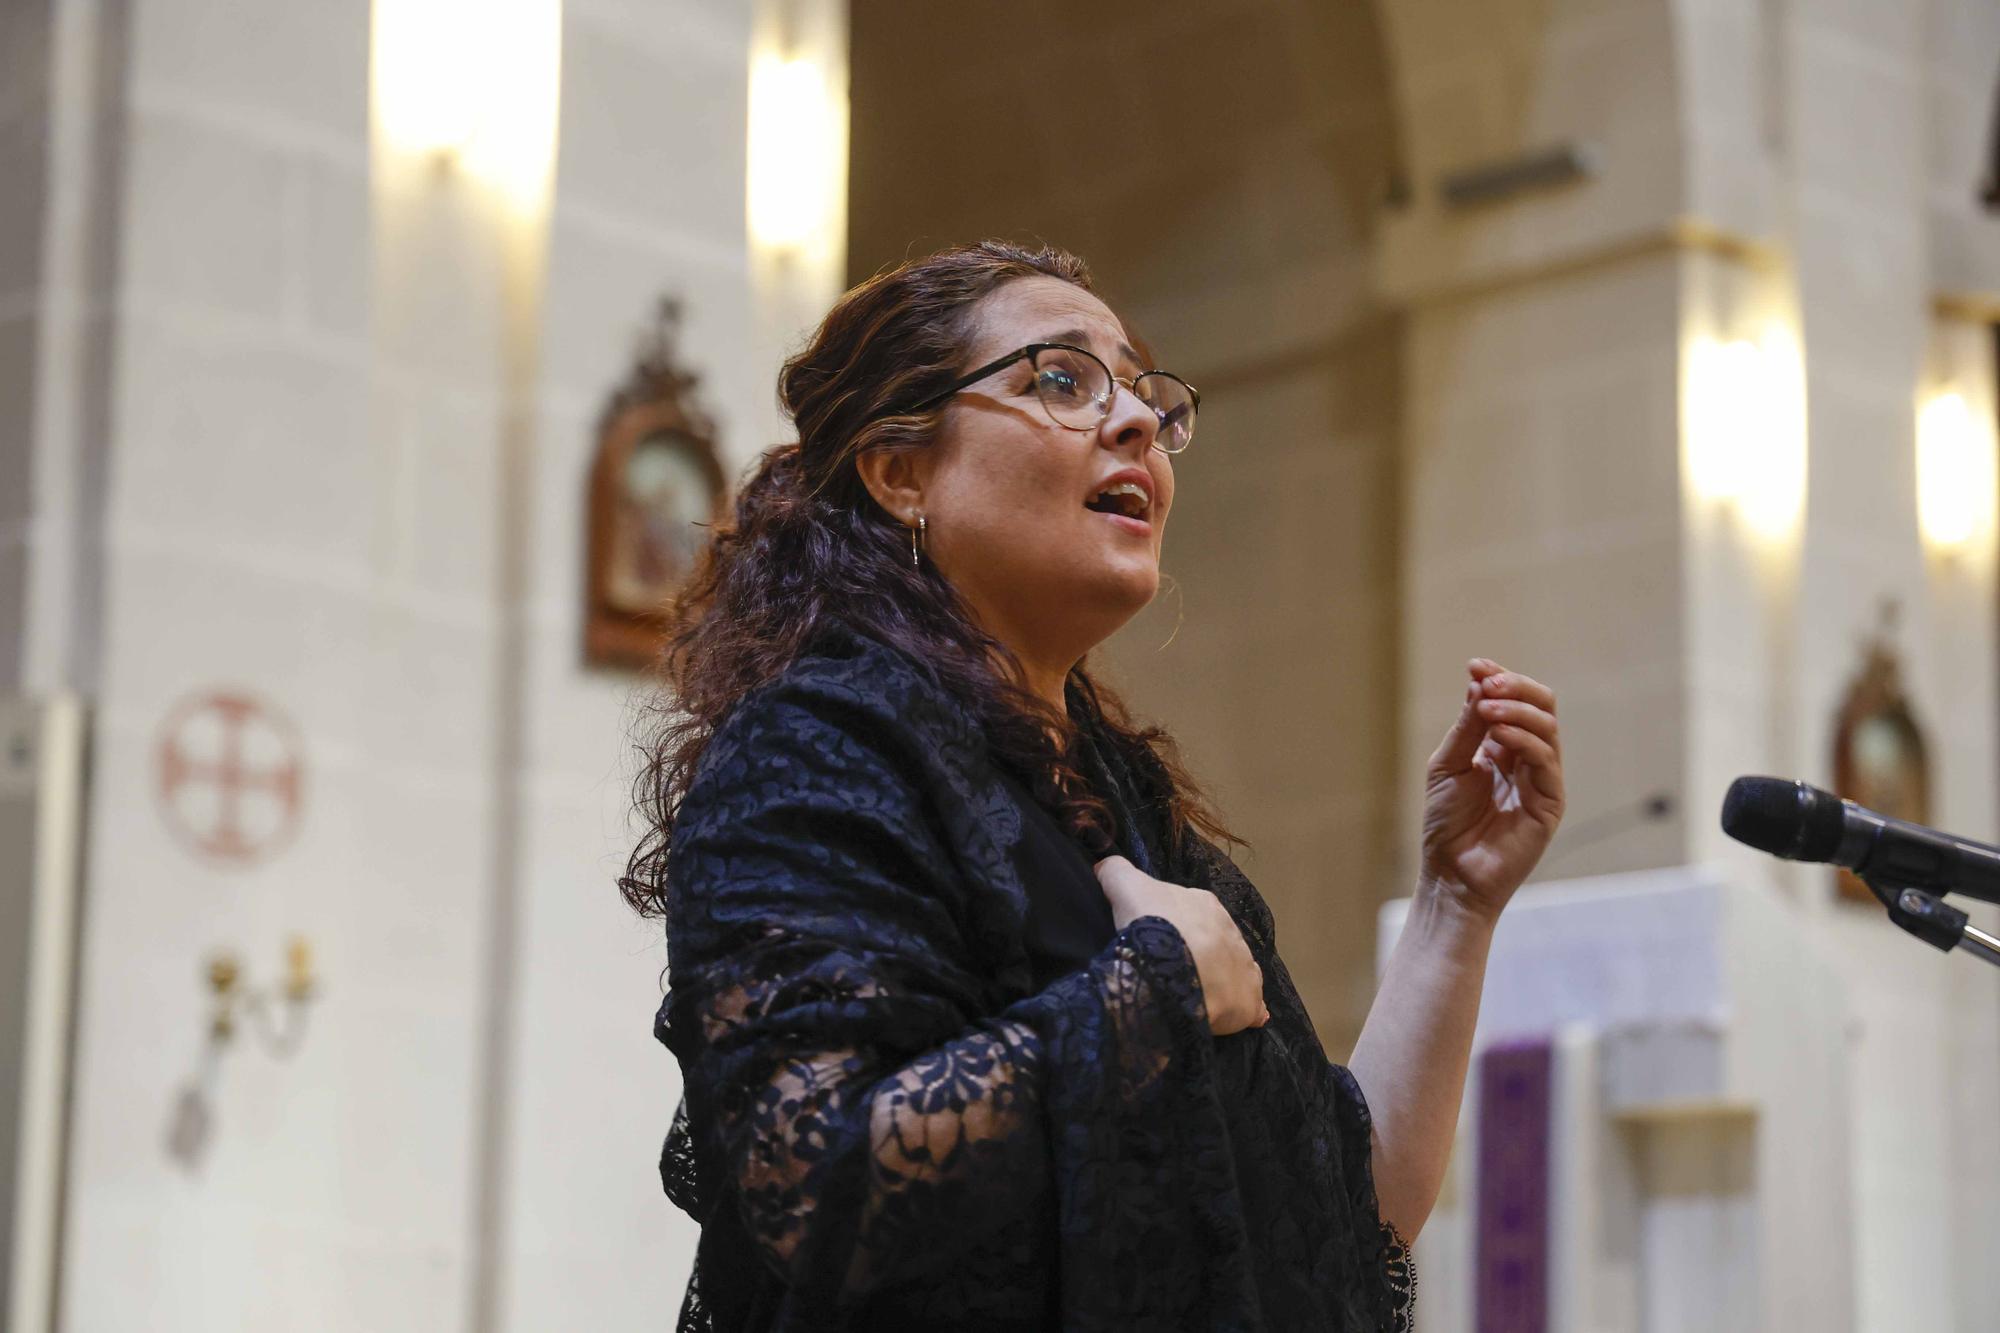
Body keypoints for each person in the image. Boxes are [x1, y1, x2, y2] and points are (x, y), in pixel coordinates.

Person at [622, 240, 1566, 1332]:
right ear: (900, 472)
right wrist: (1150, 990)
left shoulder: (1125, 808)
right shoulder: (811, 753)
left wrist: (1455, 901)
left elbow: (1346, 1218)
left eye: (1145, 398)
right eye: (1061, 381)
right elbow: (812, 1186)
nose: (1133, 424)